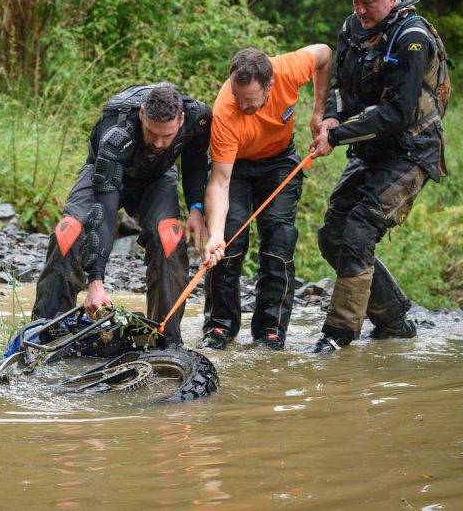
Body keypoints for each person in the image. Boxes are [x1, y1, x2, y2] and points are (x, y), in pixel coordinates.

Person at [307, 0, 449, 353]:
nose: (360, 11)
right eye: (355, 2)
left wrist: (336, 137)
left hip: (411, 150)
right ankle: (395, 323)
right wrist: (332, 116)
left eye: (368, 3)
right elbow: (341, 85)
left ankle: (338, 336)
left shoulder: (412, 38)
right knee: (333, 233)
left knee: (357, 233)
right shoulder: (352, 29)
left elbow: (398, 113)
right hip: (370, 147)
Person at [31, 84, 212, 347]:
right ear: (141, 114)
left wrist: (196, 208)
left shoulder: (198, 118)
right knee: (69, 232)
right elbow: (102, 213)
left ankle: (165, 338)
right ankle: (46, 332)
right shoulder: (116, 133)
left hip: (157, 178)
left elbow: (196, 160)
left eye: (167, 136)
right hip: (105, 172)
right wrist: (96, 282)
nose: (160, 143)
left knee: (168, 239)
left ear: (181, 120)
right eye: (152, 133)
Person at [200, 44, 331, 350]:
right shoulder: (226, 110)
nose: (241, 104)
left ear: (270, 86)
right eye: (237, 95)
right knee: (229, 243)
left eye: (249, 100)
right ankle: (221, 326)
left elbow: (324, 54)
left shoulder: (288, 69)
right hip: (237, 168)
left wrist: (319, 112)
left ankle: (270, 330)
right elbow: (220, 182)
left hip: (279, 161)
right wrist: (216, 234)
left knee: (279, 242)